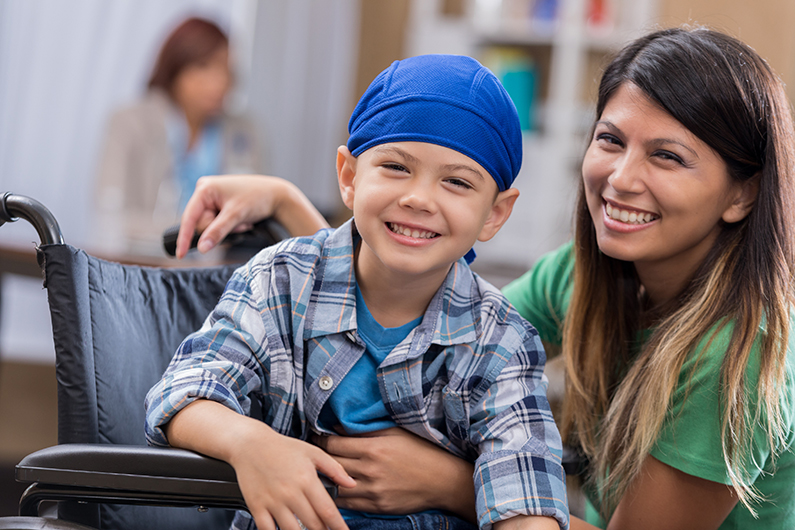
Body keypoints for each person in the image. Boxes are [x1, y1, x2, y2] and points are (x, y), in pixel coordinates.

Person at [171, 26, 795, 530]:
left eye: (667, 155)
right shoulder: (583, 277)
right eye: (610, 139)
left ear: (741, 194)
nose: (623, 178)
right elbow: (408, 296)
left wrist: (457, 484)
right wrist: (286, 202)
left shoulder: (739, 349)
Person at [145, 54, 569, 530]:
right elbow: (182, 394)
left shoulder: (504, 344)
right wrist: (251, 444)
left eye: (456, 181)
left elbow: (528, 504)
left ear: (494, 213)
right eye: (395, 166)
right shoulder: (281, 279)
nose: (419, 198)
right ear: (349, 176)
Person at [93, 17, 261, 255]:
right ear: (175, 68)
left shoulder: (243, 132)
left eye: (226, 69)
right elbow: (111, 218)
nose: (219, 82)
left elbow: (255, 212)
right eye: (204, 66)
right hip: (142, 266)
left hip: (217, 273)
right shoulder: (128, 123)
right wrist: (193, 228)